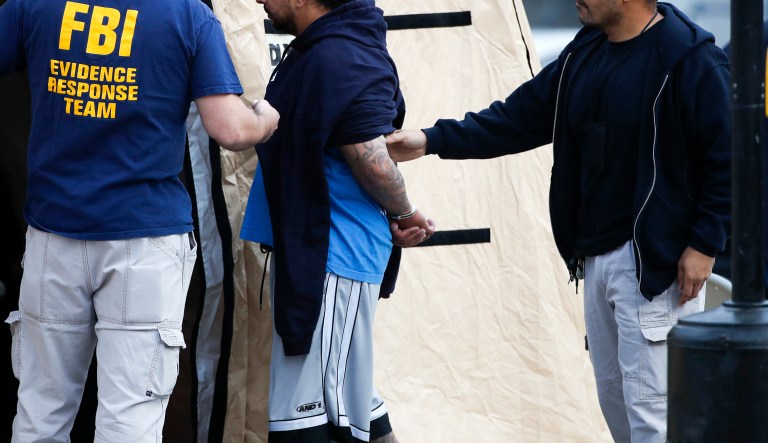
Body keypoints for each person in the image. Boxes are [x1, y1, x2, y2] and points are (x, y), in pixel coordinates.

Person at [387, 1, 731, 441]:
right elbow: (520, 117)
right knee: (618, 410)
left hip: (654, 264)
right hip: (595, 256)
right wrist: (430, 140)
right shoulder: (586, 49)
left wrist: (705, 244)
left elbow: (731, 160)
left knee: (654, 416)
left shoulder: (690, 58)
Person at [0, 0, 279, 441]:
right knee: (130, 418)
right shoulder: (186, 15)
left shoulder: (35, 5)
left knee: (41, 412)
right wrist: (265, 118)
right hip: (144, 240)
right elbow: (230, 129)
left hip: (53, 235)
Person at [242, 0, 434, 441]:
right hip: (319, 256)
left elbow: (372, 159)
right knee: (352, 398)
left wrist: (404, 213)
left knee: (311, 421)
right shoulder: (325, 48)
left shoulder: (341, 55)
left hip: (334, 259)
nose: (259, 0)